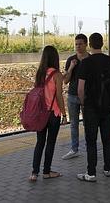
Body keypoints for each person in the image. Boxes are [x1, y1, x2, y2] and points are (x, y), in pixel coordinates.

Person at [76, 33, 110, 182]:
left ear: (90, 44)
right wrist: (108, 97)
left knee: (91, 141)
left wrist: (83, 103)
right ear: (102, 44)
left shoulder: (86, 63)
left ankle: (91, 173)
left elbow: (80, 89)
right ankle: (108, 168)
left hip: (91, 108)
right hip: (107, 108)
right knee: (107, 139)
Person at [30, 45, 68, 181]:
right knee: (50, 143)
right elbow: (59, 96)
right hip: (53, 114)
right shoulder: (56, 75)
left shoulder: (39, 73)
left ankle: (34, 173)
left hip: (40, 114)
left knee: (40, 142)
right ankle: (47, 172)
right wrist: (64, 114)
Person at [62, 34, 89, 160]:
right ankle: (74, 149)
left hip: (87, 96)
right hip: (72, 96)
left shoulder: (90, 59)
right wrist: (71, 68)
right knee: (74, 124)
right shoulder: (71, 60)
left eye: (80, 44)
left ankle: (90, 147)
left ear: (86, 44)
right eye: (76, 44)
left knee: (88, 123)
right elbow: (65, 81)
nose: (78, 46)